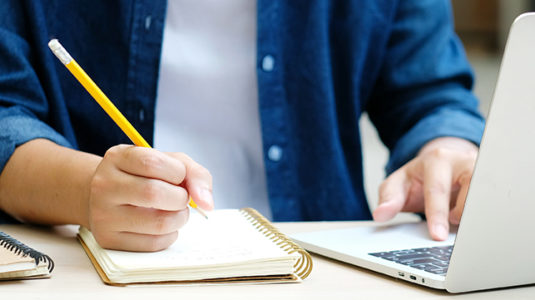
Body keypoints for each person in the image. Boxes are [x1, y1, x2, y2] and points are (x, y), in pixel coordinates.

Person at [0, 0, 484, 251]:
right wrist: (84, 190)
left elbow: (430, 92)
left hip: (321, 267)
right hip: (102, 266)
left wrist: (448, 150)